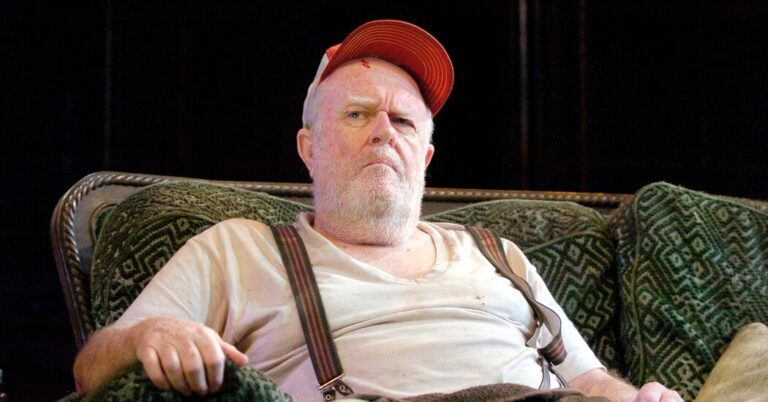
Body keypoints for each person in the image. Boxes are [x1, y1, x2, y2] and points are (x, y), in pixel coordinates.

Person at [73, 20, 682, 402]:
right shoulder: (237, 249)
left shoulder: (496, 253)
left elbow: (590, 380)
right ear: (309, 149)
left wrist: (638, 397)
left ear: (426, 156)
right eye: (357, 114)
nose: (385, 132)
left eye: (404, 121)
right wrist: (150, 336)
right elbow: (92, 370)